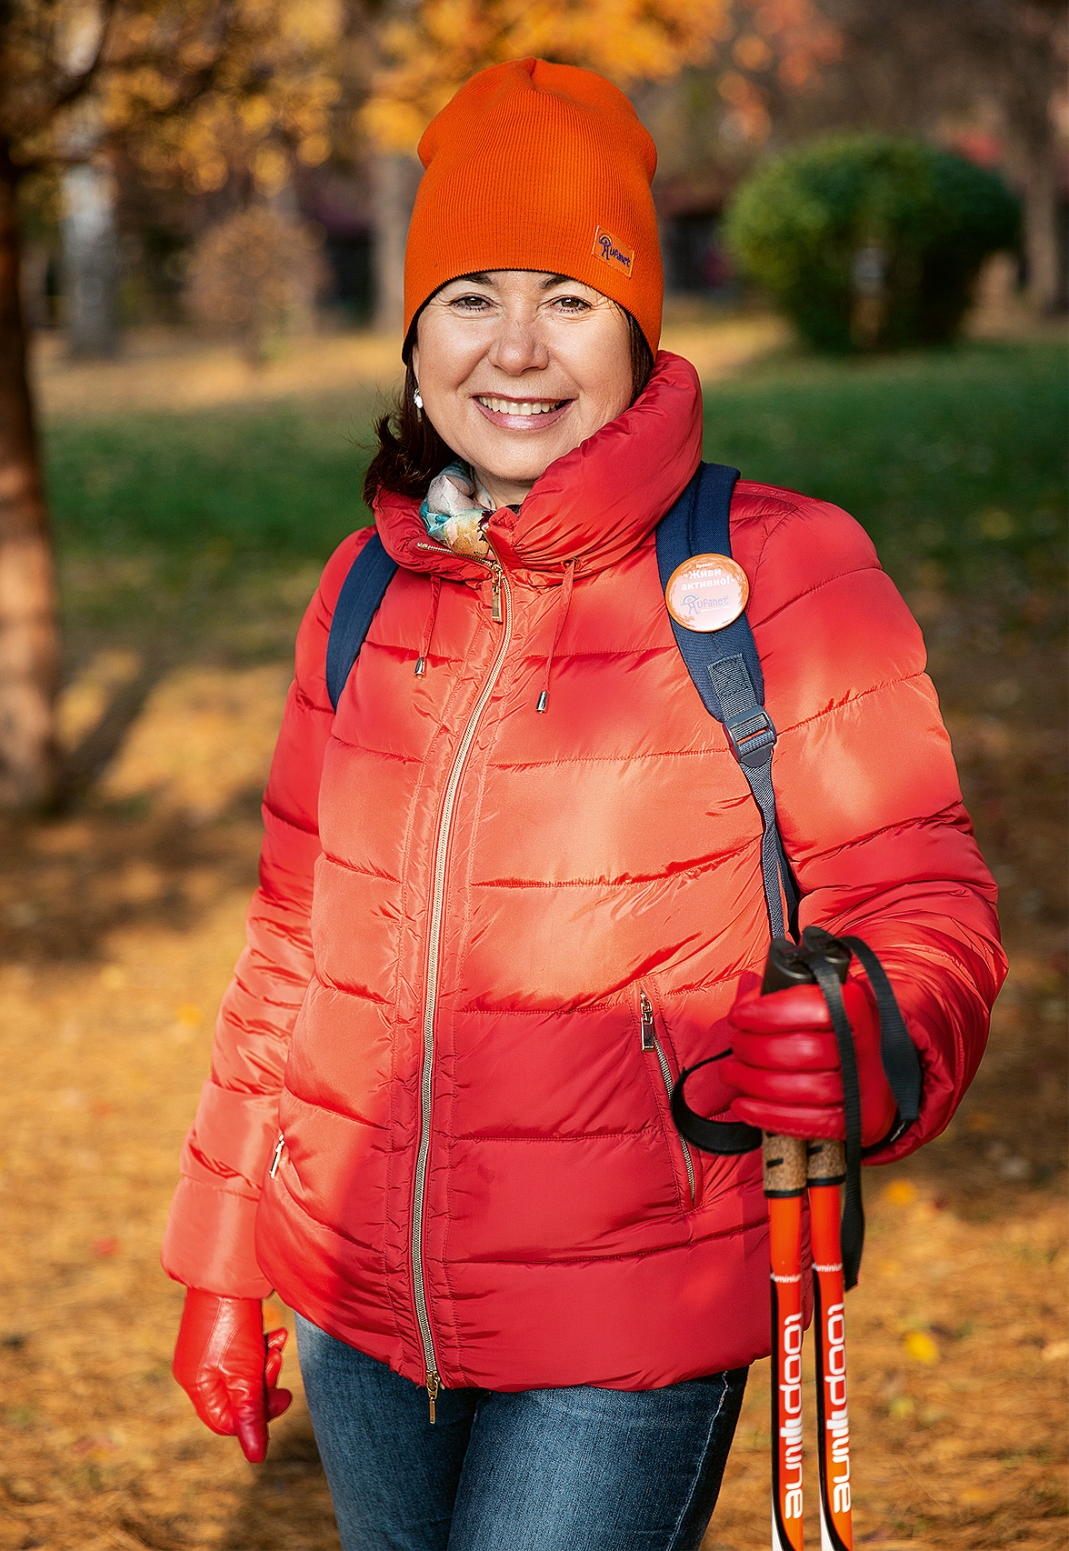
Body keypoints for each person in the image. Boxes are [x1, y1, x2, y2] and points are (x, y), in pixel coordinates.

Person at [162, 59, 1005, 1551]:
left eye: (570, 296)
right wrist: (227, 1252)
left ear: (637, 330)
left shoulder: (782, 571)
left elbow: (919, 904)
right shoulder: (360, 592)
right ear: (417, 339)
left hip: (630, 1303)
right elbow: (295, 948)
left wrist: (875, 1033)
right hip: (360, 1294)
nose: (520, 349)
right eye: (472, 296)